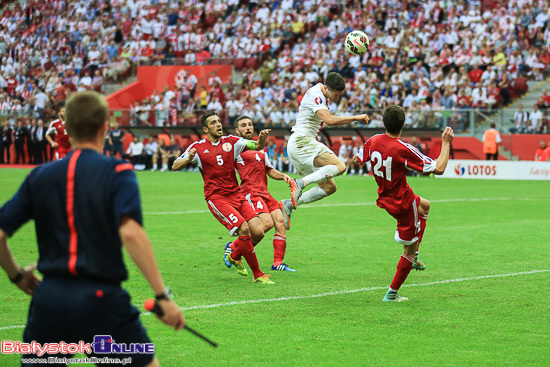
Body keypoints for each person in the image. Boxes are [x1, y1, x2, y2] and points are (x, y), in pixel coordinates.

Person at [0, 91, 185, 366]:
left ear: (67, 128)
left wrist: (16, 276)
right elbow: (131, 232)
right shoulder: (118, 171)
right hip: (101, 301)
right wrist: (162, 296)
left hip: (49, 300)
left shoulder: (39, 176)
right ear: (105, 126)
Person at [354, 105, 454, 302]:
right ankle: (392, 293)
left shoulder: (373, 140)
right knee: (407, 248)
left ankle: (415, 256)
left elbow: (358, 158)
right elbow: (439, 168)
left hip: (385, 197)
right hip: (402, 204)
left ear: (383, 123)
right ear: (403, 124)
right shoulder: (403, 148)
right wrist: (445, 143)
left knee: (425, 205)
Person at [172, 111, 274, 284]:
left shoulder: (232, 142)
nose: (218, 125)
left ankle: (234, 255)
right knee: (244, 229)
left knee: (258, 231)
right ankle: (258, 274)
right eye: (213, 123)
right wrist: (187, 159)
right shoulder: (197, 147)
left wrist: (262, 138)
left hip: (236, 194)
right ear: (206, 129)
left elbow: (257, 146)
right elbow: (175, 165)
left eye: (219, 121)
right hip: (217, 198)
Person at [280, 72, 369, 228]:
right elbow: (328, 120)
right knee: (341, 166)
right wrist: (355, 118)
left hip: (299, 145)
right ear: (326, 88)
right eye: (335, 95)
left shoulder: (319, 92)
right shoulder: (316, 95)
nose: (337, 98)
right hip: (302, 141)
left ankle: (287, 204)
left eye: (340, 95)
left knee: (329, 187)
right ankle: (300, 183)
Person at [227, 115, 296, 272]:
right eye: (243, 125)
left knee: (280, 222)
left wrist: (284, 176)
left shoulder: (261, 149)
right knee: (266, 224)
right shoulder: (236, 149)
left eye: (250, 124)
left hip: (265, 193)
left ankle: (277, 263)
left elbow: (269, 171)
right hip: (250, 193)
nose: (248, 127)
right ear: (237, 130)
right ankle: (234, 248)